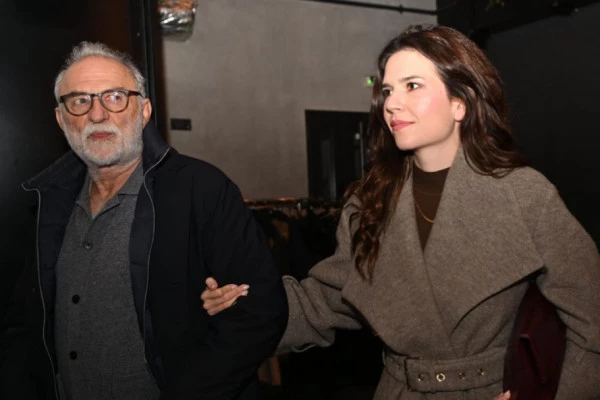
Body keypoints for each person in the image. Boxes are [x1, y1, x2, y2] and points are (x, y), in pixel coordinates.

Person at [201, 25, 600, 400]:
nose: (391, 103)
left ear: (459, 103)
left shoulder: (524, 195)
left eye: (412, 86)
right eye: (388, 89)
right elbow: (327, 301)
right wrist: (244, 303)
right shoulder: (369, 202)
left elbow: (591, 321)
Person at [0, 42, 288, 400]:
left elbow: (258, 312)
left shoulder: (200, 190)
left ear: (145, 110)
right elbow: (24, 321)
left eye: (115, 97)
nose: (97, 114)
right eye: (80, 101)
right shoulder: (48, 204)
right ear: (61, 118)